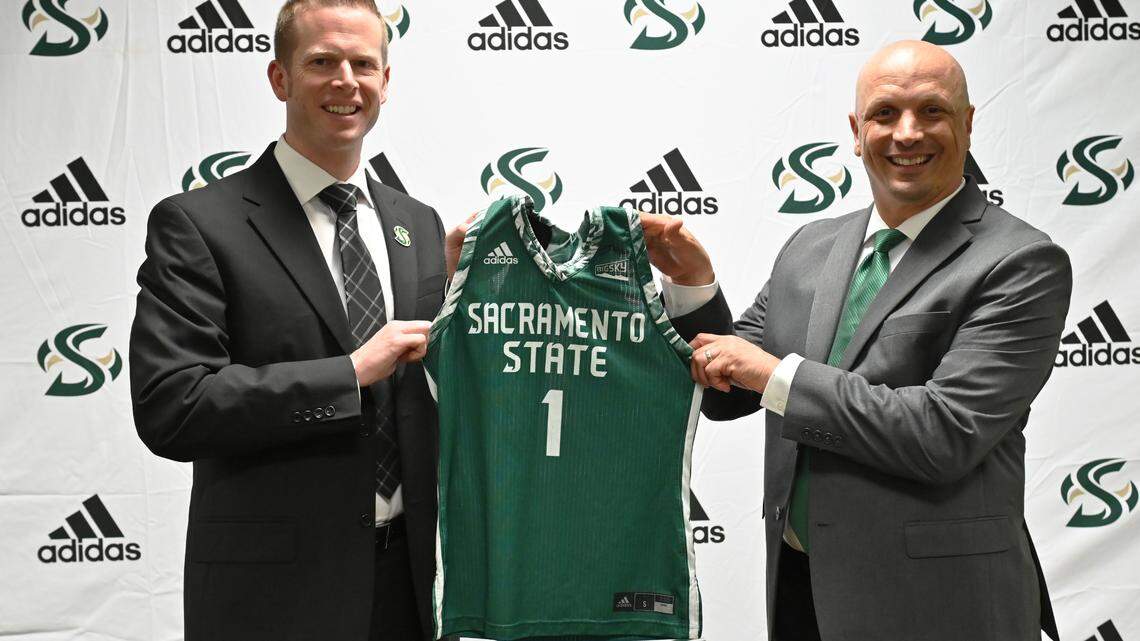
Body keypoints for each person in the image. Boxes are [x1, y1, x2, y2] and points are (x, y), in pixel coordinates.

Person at [641, 40, 1069, 641]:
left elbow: (944, 433)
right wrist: (690, 286)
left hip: (942, 605)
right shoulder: (810, 248)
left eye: (932, 111)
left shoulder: (1021, 262)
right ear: (856, 129)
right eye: (885, 113)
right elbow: (726, 393)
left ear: (968, 124)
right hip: (802, 591)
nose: (908, 133)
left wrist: (774, 376)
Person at [129, 2, 456, 639]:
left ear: (385, 82)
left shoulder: (418, 224)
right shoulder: (199, 223)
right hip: (273, 597)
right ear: (279, 78)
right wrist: (349, 374)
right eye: (322, 62)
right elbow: (173, 406)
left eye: (364, 63)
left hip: (409, 588)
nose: (346, 80)